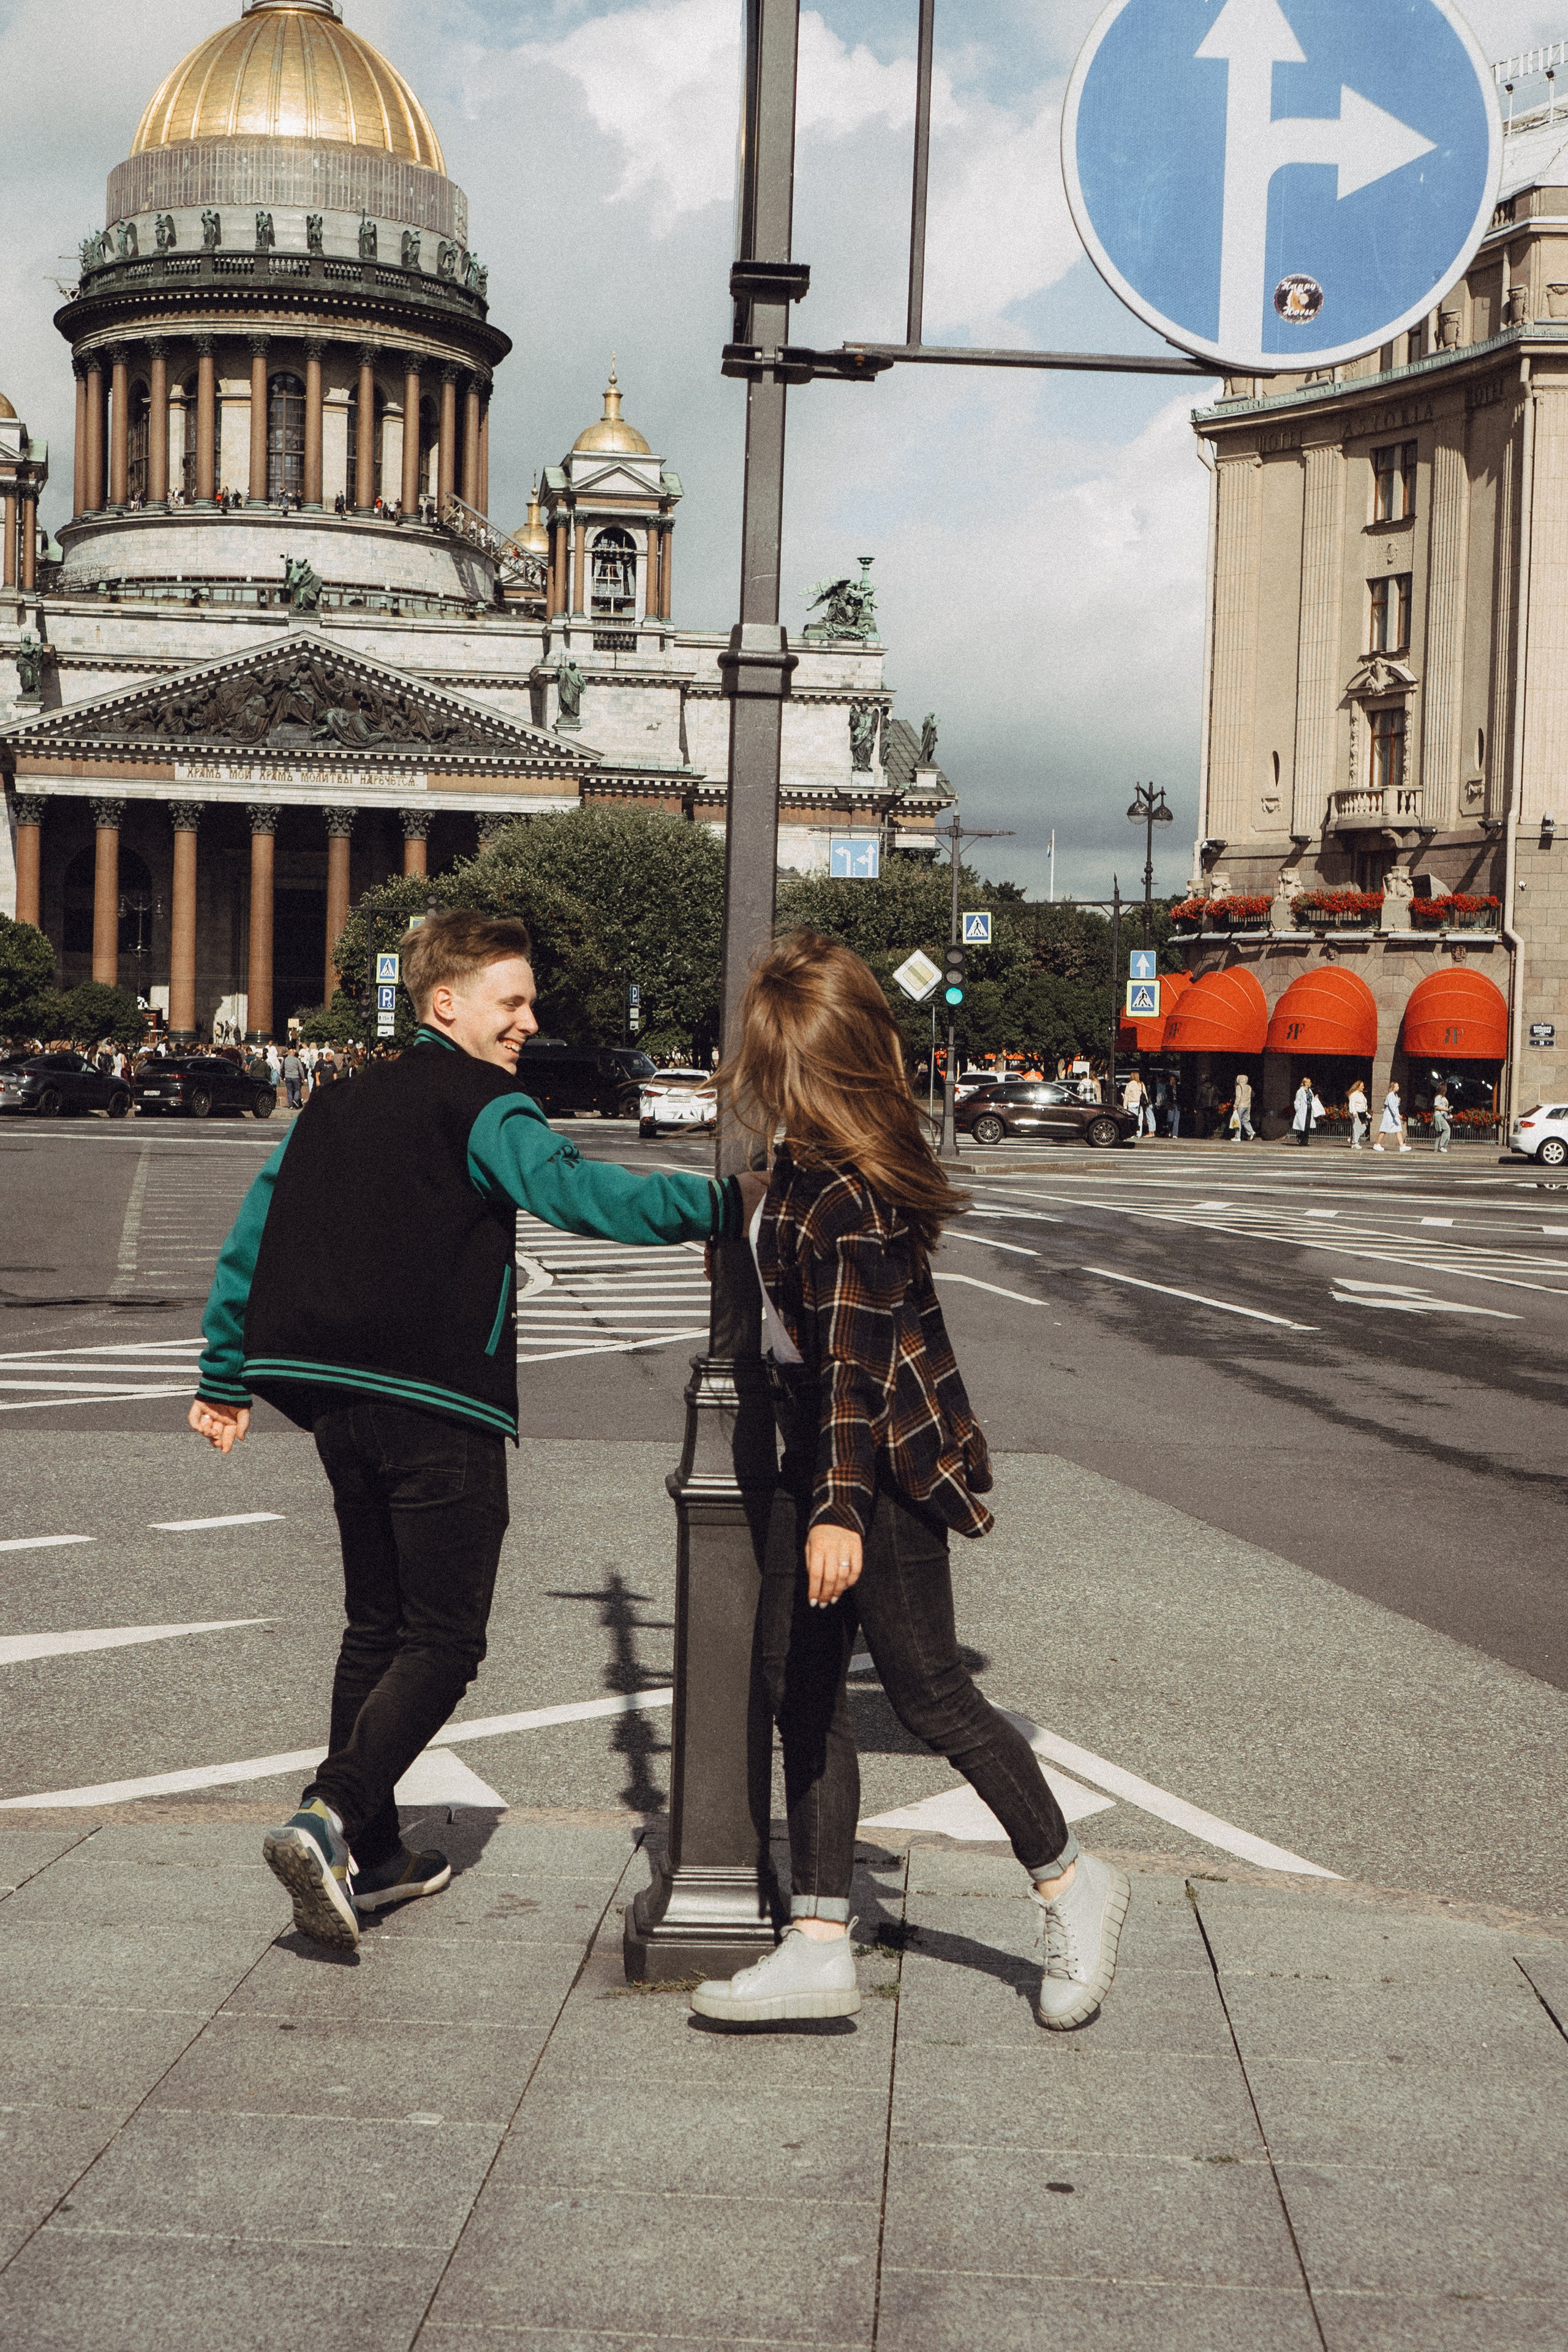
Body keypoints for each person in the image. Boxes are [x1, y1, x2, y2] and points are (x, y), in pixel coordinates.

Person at [189, 912, 765, 1951]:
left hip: (333, 1402)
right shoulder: (484, 1103)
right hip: (438, 1402)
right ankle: (328, 1812)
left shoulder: (332, 1102)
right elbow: (575, 1191)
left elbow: (252, 1236)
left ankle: (372, 1854)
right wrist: (724, 1206)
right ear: (444, 1003)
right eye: (513, 1002)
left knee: (377, 1628)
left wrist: (224, 1375)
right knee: (445, 1640)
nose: (529, 1023)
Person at [689, 933, 1128, 2032]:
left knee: (930, 1691)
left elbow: (853, 1372)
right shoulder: (801, 1166)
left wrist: (837, 1508)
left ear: (814, 1066)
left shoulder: (852, 1196)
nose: (760, 1074)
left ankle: (1074, 1882)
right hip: (816, 1452)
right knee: (803, 1685)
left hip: (873, 1467)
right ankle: (820, 1939)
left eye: (776, 1060)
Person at [1375, 1080, 1408, 1153]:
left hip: (1393, 1115)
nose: (1398, 1088)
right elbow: (1392, 1106)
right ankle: (1377, 1144)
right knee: (1384, 1129)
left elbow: (1395, 1106)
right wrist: (1398, 1115)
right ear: (1393, 1088)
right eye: (1397, 1086)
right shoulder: (1390, 1095)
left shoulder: (1394, 1095)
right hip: (1389, 1116)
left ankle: (1402, 1145)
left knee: (1398, 1129)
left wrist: (1398, 1100)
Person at [1231, 1071, 1255, 1140]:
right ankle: (1251, 1132)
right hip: (1248, 1106)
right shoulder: (1249, 1087)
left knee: (1238, 1121)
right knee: (1246, 1120)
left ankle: (1237, 1137)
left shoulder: (1239, 1087)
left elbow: (1238, 1097)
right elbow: (1253, 1095)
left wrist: (1235, 1105)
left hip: (1241, 1106)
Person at [1348, 1078, 1369, 1150]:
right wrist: (1354, 1112)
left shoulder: (1361, 1094)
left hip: (1362, 1113)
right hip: (1356, 1113)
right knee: (1357, 1127)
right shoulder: (1354, 1095)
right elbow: (1352, 1104)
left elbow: (1364, 1105)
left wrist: (1367, 1113)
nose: (1363, 1087)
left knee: (1364, 1127)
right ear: (1358, 1086)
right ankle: (1355, 1143)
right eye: (1362, 1086)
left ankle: (1352, 1138)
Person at [1432, 1084, 1452, 1155]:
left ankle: (1436, 1148)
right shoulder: (1438, 1097)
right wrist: (1445, 1110)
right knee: (1447, 1129)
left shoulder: (1443, 1098)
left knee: (1440, 1132)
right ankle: (1442, 1146)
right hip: (1438, 1115)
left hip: (1442, 1115)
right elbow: (1436, 1107)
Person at [281, 1047, 303, 1111]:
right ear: (293, 1053)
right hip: (296, 1077)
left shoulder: (285, 1060)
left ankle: (291, 1105)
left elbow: (281, 1068)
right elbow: (301, 1069)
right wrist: (303, 1077)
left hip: (288, 1077)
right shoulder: (296, 1060)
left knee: (289, 1091)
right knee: (297, 1090)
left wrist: (281, 1076)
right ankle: (295, 1100)